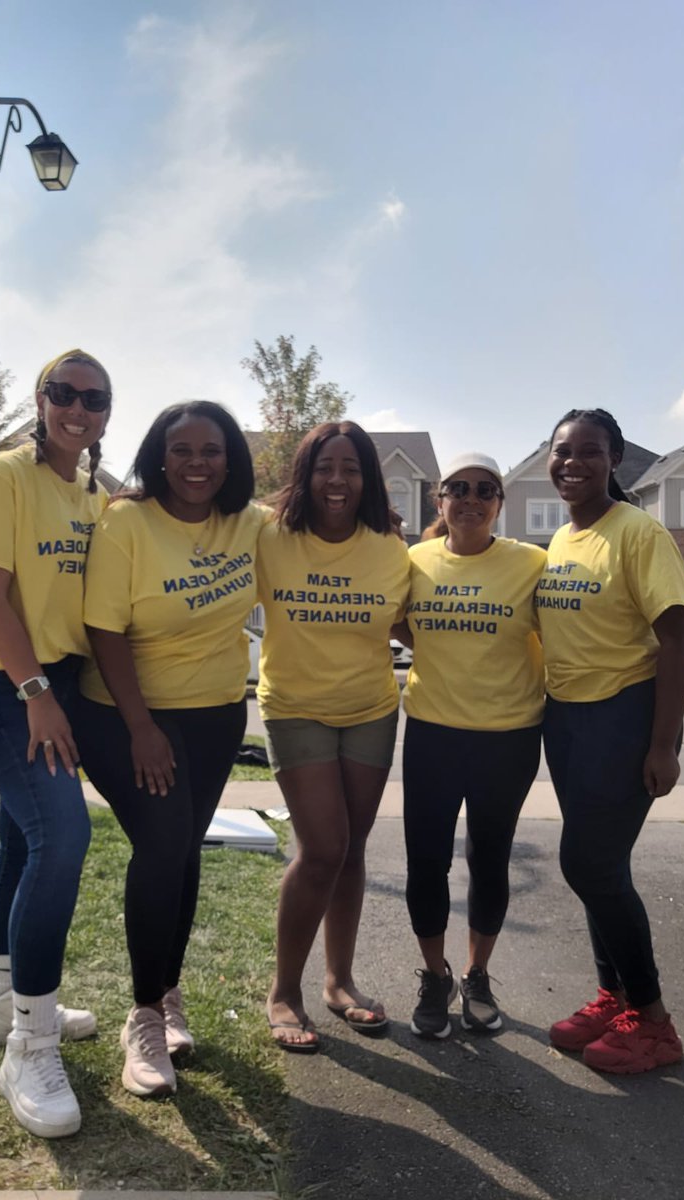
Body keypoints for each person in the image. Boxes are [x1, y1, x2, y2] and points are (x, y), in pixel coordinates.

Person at [76, 400, 264, 1097]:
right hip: (126, 713)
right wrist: (141, 728)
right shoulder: (126, 520)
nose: (196, 463)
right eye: (181, 450)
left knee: (184, 850)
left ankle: (169, 992)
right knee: (160, 847)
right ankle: (145, 1018)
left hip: (216, 715)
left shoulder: (250, 524)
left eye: (210, 450)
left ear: (230, 459)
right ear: (159, 455)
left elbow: (313, 533)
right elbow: (105, 631)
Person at [0, 349, 112, 1138]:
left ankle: (0, 1002)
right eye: (64, 393)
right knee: (62, 835)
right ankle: (29, 1042)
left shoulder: (95, 494)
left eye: (94, 398)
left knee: (20, 840)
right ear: (41, 401)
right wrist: (38, 695)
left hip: (58, 682)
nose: (78, 408)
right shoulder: (4, 475)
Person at [538, 408, 684, 1075]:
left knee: (591, 866)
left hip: (623, 717)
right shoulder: (564, 540)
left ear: (615, 460)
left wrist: (663, 745)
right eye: (562, 451)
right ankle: (615, 996)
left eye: (590, 452)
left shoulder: (638, 532)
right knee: (602, 868)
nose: (573, 462)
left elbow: (679, 636)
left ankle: (655, 1022)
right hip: (567, 719)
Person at [257, 420, 410, 1052]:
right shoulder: (268, 535)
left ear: (368, 477)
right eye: (325, 467)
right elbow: (198, 527)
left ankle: (339, 982)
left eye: (351, 468)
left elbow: (413, 623)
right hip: (295, 708)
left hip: (371, 708)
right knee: (321, 849)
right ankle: (283, 992)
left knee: (351, 847)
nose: (338, 480)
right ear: (306, 473)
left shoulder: (390, 545)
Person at [394, 453, 547, 1039]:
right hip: (433, 733)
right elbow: (394, 618)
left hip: (508, 738)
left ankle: (478, 975)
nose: (471, 498)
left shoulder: (532, 563)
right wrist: (427, 641)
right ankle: (436, 977)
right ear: (439, 501)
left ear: (499, 503)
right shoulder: (414, 561)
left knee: (490, 859)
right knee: (426, 861)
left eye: (485, 489)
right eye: (457, 488)